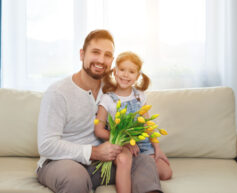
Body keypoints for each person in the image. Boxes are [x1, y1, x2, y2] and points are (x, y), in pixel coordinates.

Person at [37, 29, 163, 193]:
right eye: (95, 52)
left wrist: (128, 141)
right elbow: (46, 145)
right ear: (82, 54)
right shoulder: (58, 93)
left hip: (104, 163)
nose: (101, 60)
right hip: (62, 162)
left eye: (108, 55)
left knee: (144, 161)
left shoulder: (113, 90)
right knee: (75, 178)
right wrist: (94, 152)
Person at [94, 51, 172, 193]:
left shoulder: (139, 96)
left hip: (142, 145)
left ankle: (135, 170)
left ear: (137, 76)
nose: (125, 75)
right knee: (125, 160)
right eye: (122, 69)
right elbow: (98, 130)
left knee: (166, 173)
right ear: (115, 71)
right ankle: (127, 169)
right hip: (121, 145)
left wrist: (157, 148)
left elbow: (148, 124)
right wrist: (122, 141)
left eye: (131, 71)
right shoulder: (107, 99)